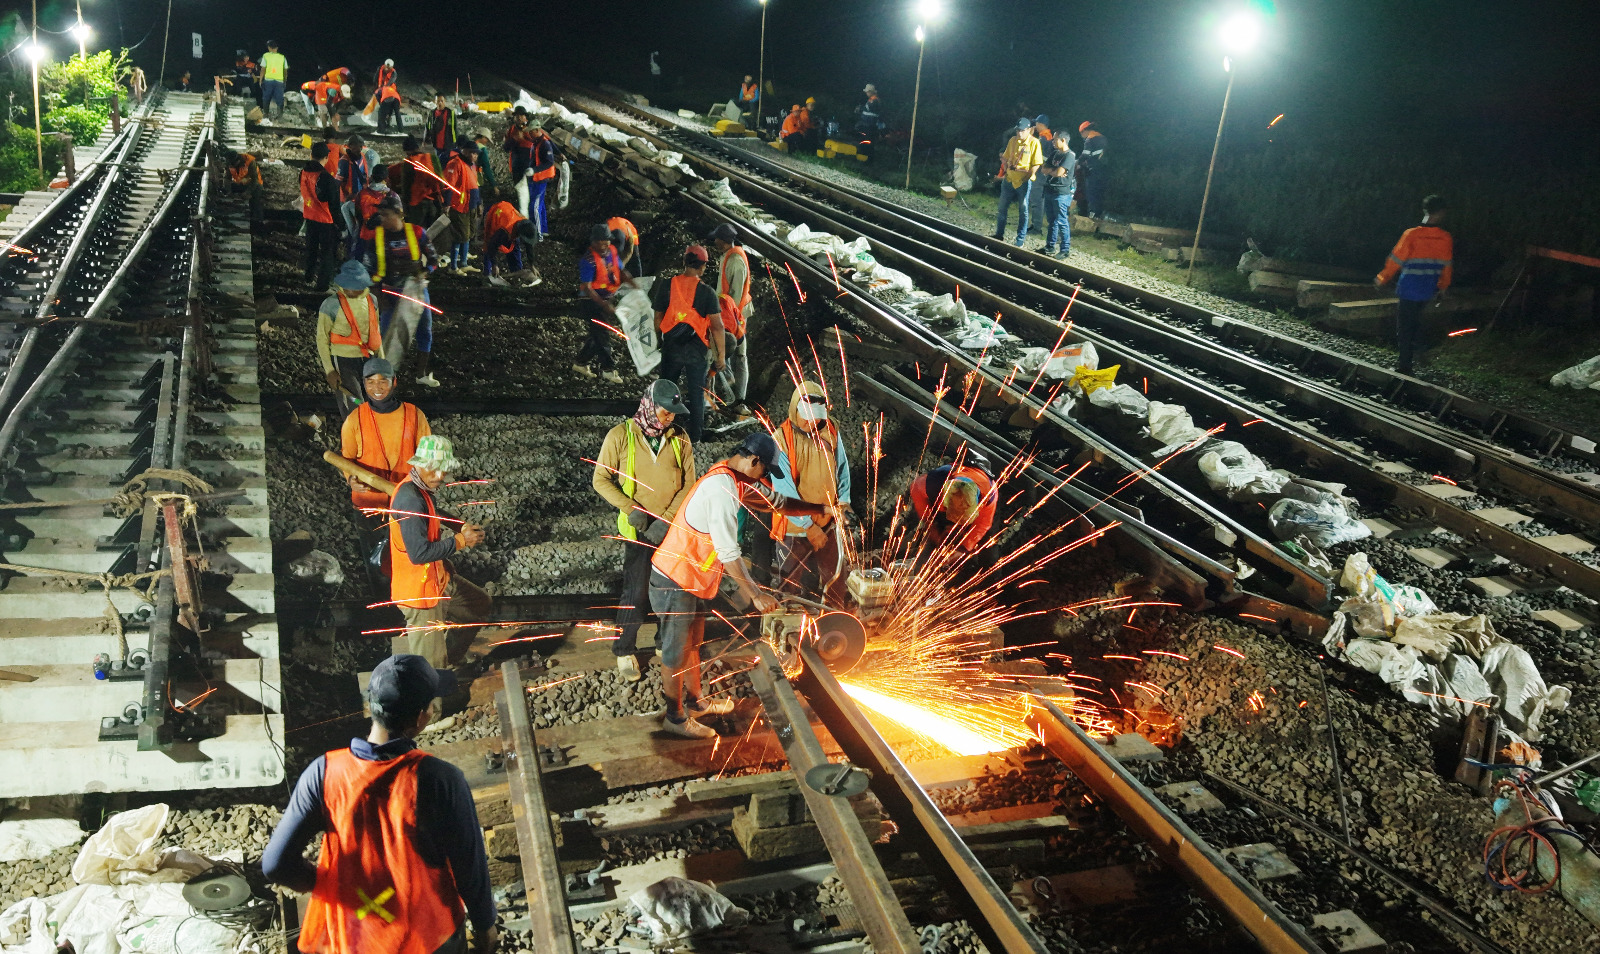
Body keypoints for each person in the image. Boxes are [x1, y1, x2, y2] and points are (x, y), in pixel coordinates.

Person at [262, 653, 497, 954]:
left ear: (369, 706)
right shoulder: (441, 779)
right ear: (421, 717)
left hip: (351, 938)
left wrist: (323, 882)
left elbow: (275, 864)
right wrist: (485, 925)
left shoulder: (322, 773)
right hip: (428, 939)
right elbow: (469, 868)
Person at [648, 432, 784, 738]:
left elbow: (775, 502)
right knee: (675, 652)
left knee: (693, 643)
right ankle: (675, 717)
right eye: (764, 471)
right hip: (675, 579)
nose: (763, 478)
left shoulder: (730, 474)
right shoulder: (723, 490)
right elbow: (729, 554)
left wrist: (818, 509)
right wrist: (756, 594)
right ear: (753, 461)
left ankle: (696, 703)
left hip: (690, 580)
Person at [592, 380, 696, 682]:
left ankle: (664, 644)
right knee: (635, 593)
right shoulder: (620, 436)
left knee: (670, 592)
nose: (670, 418)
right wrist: (631, 509)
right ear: (651, 406)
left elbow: (688, 483)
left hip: (670, 531)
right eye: (666, 413)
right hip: (637, 533)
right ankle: (624, 650)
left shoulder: (679, 438)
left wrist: (665, 520)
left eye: (674, 413)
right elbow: (600, 479)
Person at [388, 436, 491, 668]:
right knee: (430, 668)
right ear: (417, 465)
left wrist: (458, 525)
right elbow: (419, 554)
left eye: (442, 470)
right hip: (421, 594)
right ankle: (432, 700)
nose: (439, 477)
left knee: (477, 605)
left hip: (436, 580)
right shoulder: (411, 500)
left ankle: (450, 659)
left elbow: (433, 512)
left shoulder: (418, 487)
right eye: (433, 470)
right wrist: (461, 540)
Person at [341, 356, 431, 580]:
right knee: (375, 561)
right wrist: (351, 478)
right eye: (370, 382)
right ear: (363, 384)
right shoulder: (355, 419)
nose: (376, 388)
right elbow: (347, 458)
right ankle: (383, 601)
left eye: (383, 381)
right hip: (369, 504)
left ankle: (405, 600)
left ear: (394, 382)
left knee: (407, 557)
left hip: (406, 502)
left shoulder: (414, 415)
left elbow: (427, 457)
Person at [768, 381, 853, 607]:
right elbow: (784, 490)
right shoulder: (781, 440)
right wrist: (808, 526)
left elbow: (842, 468)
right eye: (807, 416)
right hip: (795, 528)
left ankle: (834, 629)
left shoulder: (830, 431)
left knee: (836, 581)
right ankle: (787, 634)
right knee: (790, 586)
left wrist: (843, 501)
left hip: (828, 521)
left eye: (817, 416)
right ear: (795, 409)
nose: (813, 422)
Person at [651, 245, 726, 442]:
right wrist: (721, 356)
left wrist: (660, 340)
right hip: (696, 348)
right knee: (696, 394)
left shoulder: (667, 285)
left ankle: (658, 430)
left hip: (672, 345)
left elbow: (658, 318)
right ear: (702, 267)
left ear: (684, 262)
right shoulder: (707, 292)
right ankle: (695, 437)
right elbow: (717, 327)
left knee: (666, 389)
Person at [1375, 194, 1453, 375]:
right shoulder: (1445, 238)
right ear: (1441, 213)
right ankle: (1420, 351)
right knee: (1416, 321)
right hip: (1428, 289)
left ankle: (1405, 365)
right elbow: (1447, 266)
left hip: (1409, 287)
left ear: (1425, 211)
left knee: (1404, 326)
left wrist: (1381, 278)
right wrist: (1443, 287)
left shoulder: (1411, 235)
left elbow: (1395, 260)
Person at [368, 199, 441, 388]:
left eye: (386, 215)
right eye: (380, 215)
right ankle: (384, 377)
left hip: (415, 290)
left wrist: (425, 272)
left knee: (425, 329)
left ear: (399, 214)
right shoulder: (376, 237)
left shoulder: (417, 233)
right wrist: (379, 297)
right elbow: (369, 270)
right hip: (389, 292)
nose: (382, 219)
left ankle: (421, 374)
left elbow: (434, 259)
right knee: (386, 336)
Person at [317, 261, 384, 419]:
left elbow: (376, 332)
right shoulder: (331, 305)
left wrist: (382, 362)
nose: (353, 290)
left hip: (368, 359)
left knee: (373, 400)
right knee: (354, 403)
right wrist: (330, 370)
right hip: (343, 360)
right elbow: (322, 338)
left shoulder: (371, 301)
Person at [899, 455, 998, 559]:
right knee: (929, 541)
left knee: (988, 550)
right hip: (944, 491)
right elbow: (915, 487)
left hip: (980, 503)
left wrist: (963, 548)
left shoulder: (989, 496)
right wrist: (930, 524)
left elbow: (982, 525)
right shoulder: (934, 483)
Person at [575, 223, 636, 384]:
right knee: (603, 336)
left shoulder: (612, 253)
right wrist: (603, 304)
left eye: (606, 242)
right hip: (590, 302)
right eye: (599, 243)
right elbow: (587, 288)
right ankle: (608, 369)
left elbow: (620, 270)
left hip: (605, 299)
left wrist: (632, 283)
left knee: (597, 335)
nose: (603, 246)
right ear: (593, 242)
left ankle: (580, 363)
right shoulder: (588, 261)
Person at [709, 223, 753, 416]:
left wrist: (727, 322)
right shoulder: (728, 256)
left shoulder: (735, 261)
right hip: (728, 314)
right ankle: (727, 394)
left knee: (738, 356)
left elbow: (736, 297)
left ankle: (739, 400)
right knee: (725, 354)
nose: (714, 241)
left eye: (717, 239)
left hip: (735, 317)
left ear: (723, 241)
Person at [994, 118, 1041, 247]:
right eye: (1018, 130)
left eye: (1022, 130)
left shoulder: (1034, 143)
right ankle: (999, 234)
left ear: (1028, 130)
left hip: (1023, 182)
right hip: (1009, 179)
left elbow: (1036, 164)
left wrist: (1027, 177)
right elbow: (1007, 157)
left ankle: (1020, 239)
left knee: (1023, 210)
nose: (1019, 133)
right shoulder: (1012, 141)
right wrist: (1006, 164)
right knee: (1002, 208)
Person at [301, 143, 342, 289]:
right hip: (326, 221)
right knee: (327, 253)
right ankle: (322, 285)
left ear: (311, 155)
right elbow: (334, 205)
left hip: (310, 217)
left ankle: (308, 276)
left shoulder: (303, 172)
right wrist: (341, 225)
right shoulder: (326, 178)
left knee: (311, 249)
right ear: (326, 158)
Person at [442, 138, 481, 274]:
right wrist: (447, 204)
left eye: (476, 153)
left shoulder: (472, 165)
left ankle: (463, 263)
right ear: (464, 151)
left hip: (470, 205)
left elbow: (475, 184)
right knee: (460, 236)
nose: (474, 156)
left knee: (468, 234)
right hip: (459, 205)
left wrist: (479, 202)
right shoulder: (455, 164)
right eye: (472, 153)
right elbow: (449, 185)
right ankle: (453, 267)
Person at [483, 194, 538, 281]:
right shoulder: (504, 230)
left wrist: (531, 264)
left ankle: (517, 272)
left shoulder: (525, 226)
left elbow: (529, 245)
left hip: (508, 212)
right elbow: (491, 245)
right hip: (495, 213)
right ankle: (488, 275)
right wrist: (495, 264)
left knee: (515, 246)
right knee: (489, 242)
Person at [1039, 133, 1076, 258]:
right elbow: (1043, 169)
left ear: (1063, 140)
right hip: (1049, 190)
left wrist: (1053, 170)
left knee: (1062, 221)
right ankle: (1050, 246)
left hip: (1061, 193)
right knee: (1052, 221)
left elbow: (1060, 172)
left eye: (1055, 139)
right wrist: (1054, 171)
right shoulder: (1055, 154)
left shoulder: (1070, 156)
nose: (1053, 142)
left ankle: (1065, 250)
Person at [400, 136, 443, 228]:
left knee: (416, 230)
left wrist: (405, 203)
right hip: (433, 200)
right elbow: (440, 178)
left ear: (408, 150)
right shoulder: (432, 158)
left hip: (416, 202)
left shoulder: (409, 162)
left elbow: (406, 185)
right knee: (431, 230)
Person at [350, 162, 391, 256]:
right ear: (386, 179)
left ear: (371, 177)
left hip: (365, 237)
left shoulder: (361, 195)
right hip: (385, 238)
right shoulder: (391, 196)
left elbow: (358, 217)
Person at [525, 125, 558, 234]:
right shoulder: (537, 142)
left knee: (534, 207)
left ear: (537, 130)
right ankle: (543, 230)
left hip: (541, 178)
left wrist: (534, 170)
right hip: (536, 178)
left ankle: (537, 234)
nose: (529, 134)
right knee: (540, 204)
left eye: (531, 132)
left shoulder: (545, 144)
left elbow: (549, 162)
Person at [1077, 121, 1107, 218]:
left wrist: (1077, 162)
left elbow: (1085, 154)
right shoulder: (1103, 138)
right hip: (1103, 170)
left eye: (1081, 133)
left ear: (1084, 131)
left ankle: (1092, 215)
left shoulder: (1090, 139)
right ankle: (1099, 214)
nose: (1082, 136)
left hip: (1093, 171)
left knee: (1091, 192)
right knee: (1099, 193)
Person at [227, 151, 263, 226]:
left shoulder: (250, 162)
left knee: (255, 199)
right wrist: (228, 191)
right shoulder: (229, 163)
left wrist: (247, 192)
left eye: (234, 165)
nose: (232, 166)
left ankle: (257, 221)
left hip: (254, 184)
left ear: (238, 160)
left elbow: (255, 180)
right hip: (241, 182)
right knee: (233, 188)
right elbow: (227, 178)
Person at [853, 84, 884, 158]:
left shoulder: (874, 100)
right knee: (865, 140)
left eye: (867, 92)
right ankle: (864, 156)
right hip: (867, 124)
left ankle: (867, 158)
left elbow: (869, 108)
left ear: (870, 92)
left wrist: (860, 108)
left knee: (867, 141)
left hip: (869, 125)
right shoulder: (871, 99)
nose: (866, 93)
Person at [259, 41, 287, 119]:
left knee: (266, 98)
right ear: (277, 48)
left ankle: (266, 114)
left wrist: (260, 79)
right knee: (279, 99)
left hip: (268, 80)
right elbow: (285, 70)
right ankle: (280, 116)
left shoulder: (266, 56)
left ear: (269, 47)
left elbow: (263, 69)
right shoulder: (282, 57)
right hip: (279, 81)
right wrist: (285, 80)